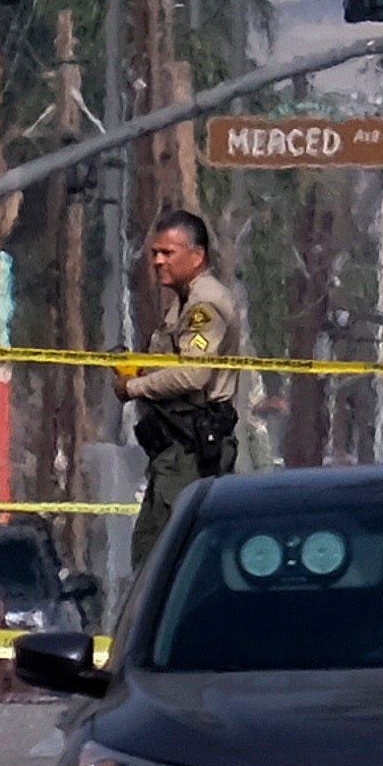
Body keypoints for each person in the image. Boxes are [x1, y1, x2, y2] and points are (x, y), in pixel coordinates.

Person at [116, 208, 245, 581]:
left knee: (173, 558)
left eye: (167, 253)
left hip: (192, 451)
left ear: (197, 255)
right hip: (173, 451)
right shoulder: (184, 301)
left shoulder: (206, 305)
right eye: (154, 252)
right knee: (149, 551)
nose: (157, 261)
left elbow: (193, 373)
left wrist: (132, 387)